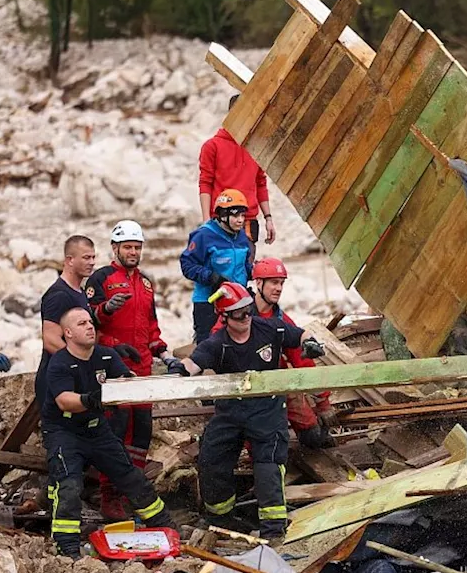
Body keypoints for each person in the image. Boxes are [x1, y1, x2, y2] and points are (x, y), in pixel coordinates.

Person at [169, 282, 325, 539]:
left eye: (249, 310)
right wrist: (178, 370)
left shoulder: (268, 328)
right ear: (225, 316)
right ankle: (221, 520)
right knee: (211, 460)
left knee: (268, 466)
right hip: (230, 412)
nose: (247, 317)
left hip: (267, 409)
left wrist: (311, 343)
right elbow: (193, 363)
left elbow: (299, 334)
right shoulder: (217, 343)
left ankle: (274, 531)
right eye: (239, 313)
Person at [42, 308, 176, 557]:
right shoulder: (59, 362)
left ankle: (164, 524)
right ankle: (67, 545)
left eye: (90, 322)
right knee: (70, 485)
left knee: (130, 476)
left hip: (97, 429)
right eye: (82, 324)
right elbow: (64, 401)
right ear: (68, 333)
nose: (90, 326)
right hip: (64, 431)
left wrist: (130, 381)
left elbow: (125, 380)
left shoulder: (106, 356)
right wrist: (93, 398)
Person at [84, 220, 178, 520]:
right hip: (113, 368)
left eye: (137, 247)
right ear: (115, 248)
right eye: (128, 247)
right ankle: (109, 496)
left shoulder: (147, 283)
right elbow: (86, 325)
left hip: (143, 369)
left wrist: (165, 353)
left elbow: (151, 327)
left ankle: (134, 491)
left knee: (141, 431)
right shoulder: (100, 279)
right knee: (115, 431)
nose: (133, 252)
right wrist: (108, 319)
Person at [211, 257, 337, 449]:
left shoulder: (281, 320)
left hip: (276, 385)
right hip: (242, 390)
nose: (278, 288)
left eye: (281, 283)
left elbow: (301, 360)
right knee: (252, 442)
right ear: (259, 283)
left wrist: (323, 401)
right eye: (273, 282)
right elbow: (215, 346)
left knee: (312, 435)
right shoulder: (235, 312)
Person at [199, 95, 274, 247]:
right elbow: (205, 183)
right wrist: (206, 220)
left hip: (248, 222)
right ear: (231, 115)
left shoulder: (255, 148)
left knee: (245, 268)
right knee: (220, 269)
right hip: (220, 221)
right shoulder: (212, 146)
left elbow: (260, 183)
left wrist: (268, 218)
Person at [181, 188, 254, 343]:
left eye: (242, 215)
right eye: (235, 215)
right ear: (222, 215)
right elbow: (187, 264)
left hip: (238, 302)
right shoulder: (204, 235)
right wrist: (211, 277)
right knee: (208, 349)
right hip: (209, 303)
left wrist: (256, 272)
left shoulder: (241, 236)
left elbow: (245, 266)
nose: (240, 220)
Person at [38, 236, 98, 404]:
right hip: (59, 382)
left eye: (93, 257)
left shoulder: (80, 291)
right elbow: (50, 340)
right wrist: (83, 365)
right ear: (70, 260)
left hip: (74, 378)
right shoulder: (59, 295)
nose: (92, 262)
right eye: (86, 257)